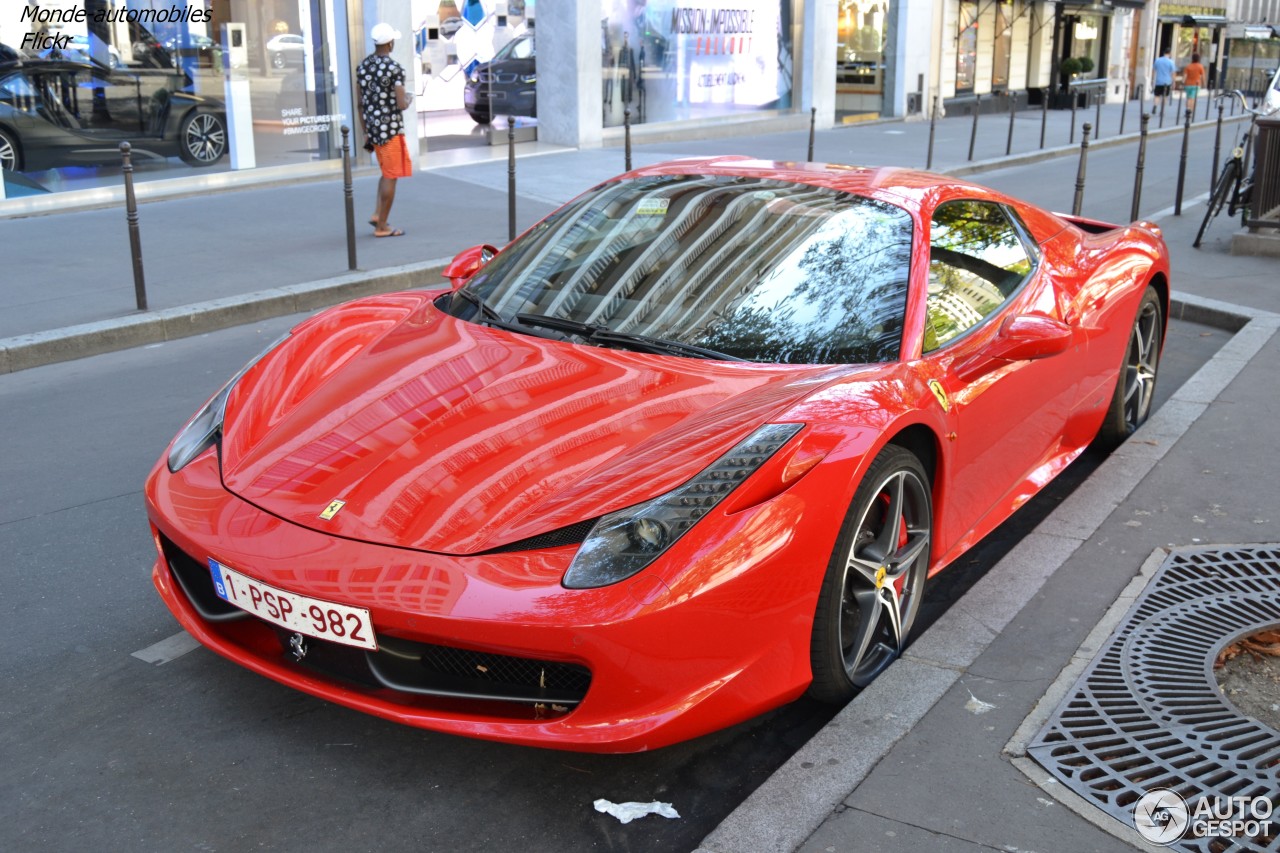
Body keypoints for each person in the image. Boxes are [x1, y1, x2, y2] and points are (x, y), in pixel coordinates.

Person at [356, 22, 413, 238]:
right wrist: (408, 98)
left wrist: (365, 131)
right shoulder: (394, 68)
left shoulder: (363, 67)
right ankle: (382, 227)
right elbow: (401, 103)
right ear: (390, 43)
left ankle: (377, 214)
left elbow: (360, 104)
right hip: (390, 130)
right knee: (391, 176)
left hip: (373, 129)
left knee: (385, 173)